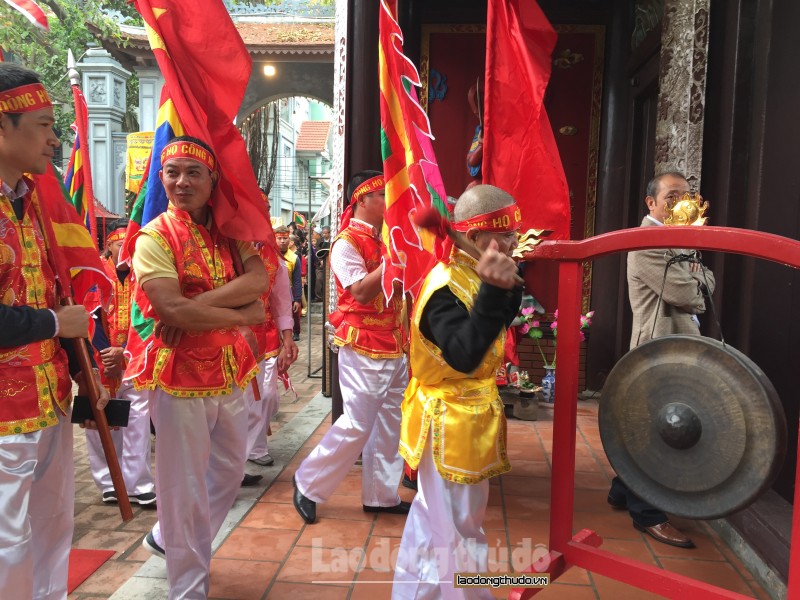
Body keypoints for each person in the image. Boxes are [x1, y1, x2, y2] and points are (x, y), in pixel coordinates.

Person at [127, 135, 269, 597]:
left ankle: (172, 537)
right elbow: (171, 310)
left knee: (229, 471)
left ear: (213, 179)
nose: (181, 181)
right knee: (183, 488)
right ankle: (188, 587)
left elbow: (259, 279)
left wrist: (197, 309)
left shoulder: (231, 233)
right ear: (161, 179)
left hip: (230, 367)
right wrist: (243, 314)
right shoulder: (154, 236)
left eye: (193, 172)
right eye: (172, 172)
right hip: (179, 376)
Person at [0, 63, 108, 600]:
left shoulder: (34, 201)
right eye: (42, 125)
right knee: (7, 539)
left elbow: (58, 295)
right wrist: (50, 324)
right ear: (3, 126)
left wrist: (84, 368)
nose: (54, 138)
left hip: (49, 395)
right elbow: (50, 314)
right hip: (2, 411)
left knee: (51, 525)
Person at [392, 185, 522, 599]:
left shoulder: (474, 275)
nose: (518, 244)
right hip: (447, 419)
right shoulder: (444, 289)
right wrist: (492, 290)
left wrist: (501, 287)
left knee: (440, 523)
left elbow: (503, 312)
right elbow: (465, 354)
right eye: (512, 238)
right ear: (487, 239)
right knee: (456, 529)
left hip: (469, 416)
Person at [292, 170, 409, 524]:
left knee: (392, 422)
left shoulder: (387, 241)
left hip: (394, 342)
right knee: (358, 422)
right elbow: (359, 291)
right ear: (363, 200)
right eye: (384, 196)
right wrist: (395, 261)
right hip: (362, 344)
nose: (390, 204)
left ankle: (381, 495)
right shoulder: (346, 243)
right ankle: (308, 483)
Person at [609, 171, 717, 549]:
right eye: (671, 196)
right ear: (650, 203)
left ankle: (622, 491)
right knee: (656, 434)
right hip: (658, 347)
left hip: (678, 341)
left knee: (654, 425)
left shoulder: (681, 237)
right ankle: (649, 514)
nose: (680, 203)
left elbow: (706, 279)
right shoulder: (648, 242)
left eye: (686, 195)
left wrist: (696, 279)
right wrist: (696, 280)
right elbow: (690, 293)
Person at [85, 218, 156, 505]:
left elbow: (150, 317)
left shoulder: (146, 273)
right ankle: (108, 481)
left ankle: (138, 483)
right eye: (120, 243)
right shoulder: (96, 272)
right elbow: (89, 316)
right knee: (100, 417)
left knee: (138, 420)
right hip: (101, 357)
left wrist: (125, 351)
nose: (126, 248)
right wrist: (106, 354)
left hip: (136, 358)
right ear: (110, 245)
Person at [244, 195, 299, 469]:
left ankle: (254, 446)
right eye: (258, 209)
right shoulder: (229, 247)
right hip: (232, 334)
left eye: (266, 210)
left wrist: (287, 336)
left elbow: (280, 299)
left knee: (267, 395)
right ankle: (244, 450)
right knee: (237, 398)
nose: (263, 215)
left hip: (266, 333)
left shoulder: (270, 254)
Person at [275, 226, 302, 341]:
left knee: (292, 315)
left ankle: (294, 333)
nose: (282, 241)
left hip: (288, 291)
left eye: (285, 238)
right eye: (279, 238)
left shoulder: (294, 258)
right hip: (272, 291)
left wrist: (297, 299)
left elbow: (297, 280)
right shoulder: (269, 254)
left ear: (289, 240)